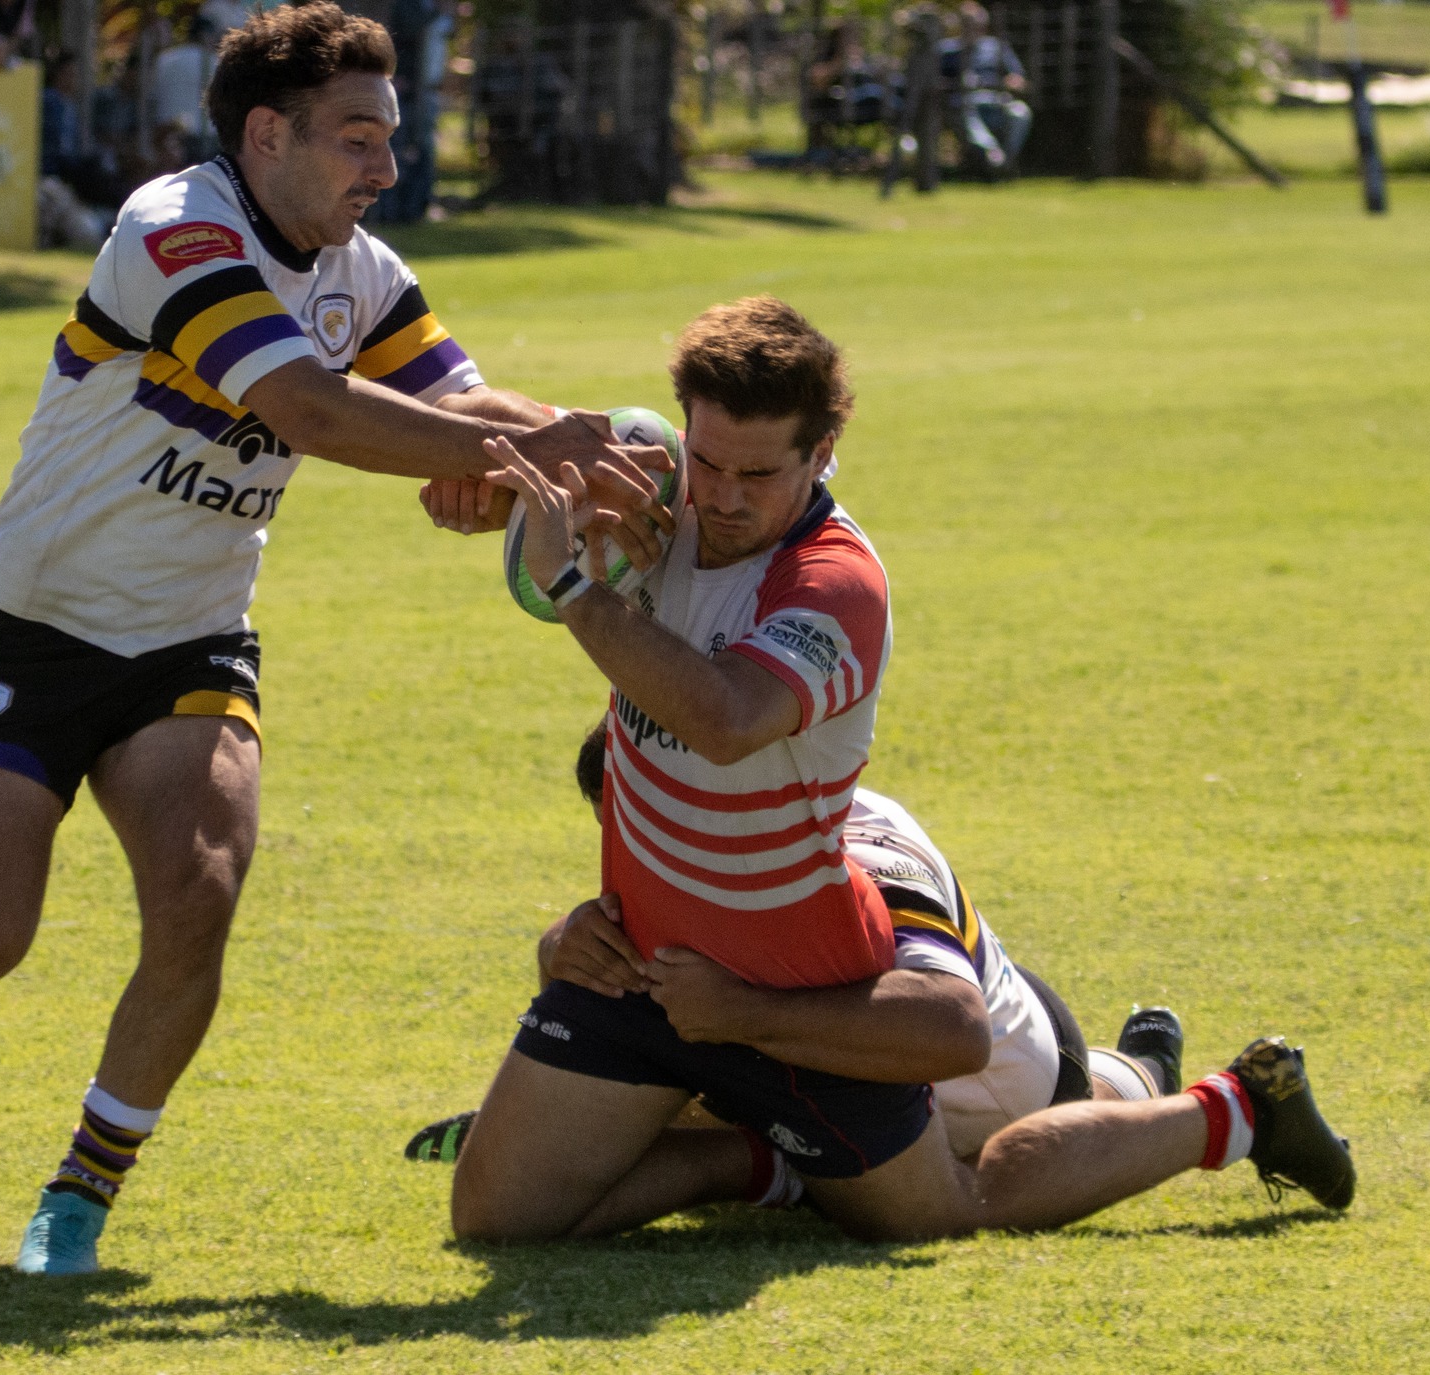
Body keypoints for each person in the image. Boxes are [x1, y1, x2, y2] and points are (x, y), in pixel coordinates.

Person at [0, 0, 673, 1279]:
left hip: (190, 646)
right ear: (266, 132)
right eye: (354, 137)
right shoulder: (175, 230)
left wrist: (564, 443)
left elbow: (455, 399)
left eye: (385, 136)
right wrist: (502, 456)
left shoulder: (362, 270)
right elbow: (309, 408)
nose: (383, 167)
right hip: (30, 631)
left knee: (198, 897)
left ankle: (80, 1192)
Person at [444, 298, 1355, 1242]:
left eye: (758, 473)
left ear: (821, 451)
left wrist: (572, 585)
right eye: (707, 460)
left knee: (947, 1211)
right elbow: (492, 440)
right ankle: (772, 1162)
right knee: (494, 1218)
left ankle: (1234, 1110)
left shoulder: (836, 583)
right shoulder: (659, 484)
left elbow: (724, 720)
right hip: (650, 966)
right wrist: (478, 487)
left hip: (801, 988)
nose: (718, 496)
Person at [406, 722, 1184, 1170]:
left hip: (1012, 1070)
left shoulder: (857, 847)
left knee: (1101, 1100)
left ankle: (1149, 1067)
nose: (648, 846)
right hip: (916, 1007)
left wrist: (743, 1009)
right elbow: (621, 972)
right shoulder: (689, 841)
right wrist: (566, 946)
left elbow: (957, 1028)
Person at [944, 1, 1031, 176]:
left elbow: (1020, 80)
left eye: (978, 26)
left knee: (1020, 112)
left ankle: (1005, 160)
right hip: (964, 102)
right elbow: (935, 82)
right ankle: (993, 152)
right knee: (965, 109)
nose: (974, 31)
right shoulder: (947, 51)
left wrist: (1011, 82)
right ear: (961, 26)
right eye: (969, 26)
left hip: (996, 101)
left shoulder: (996, 47)